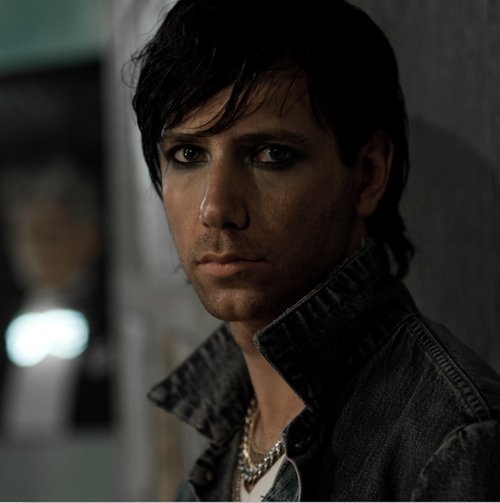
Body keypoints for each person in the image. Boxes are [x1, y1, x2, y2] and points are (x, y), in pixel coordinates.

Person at [132, 0, 500, 500]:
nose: (215, 208)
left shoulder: (452, 441)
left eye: (270, 154)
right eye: (188, 154)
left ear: (367, 174)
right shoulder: (227, 428)